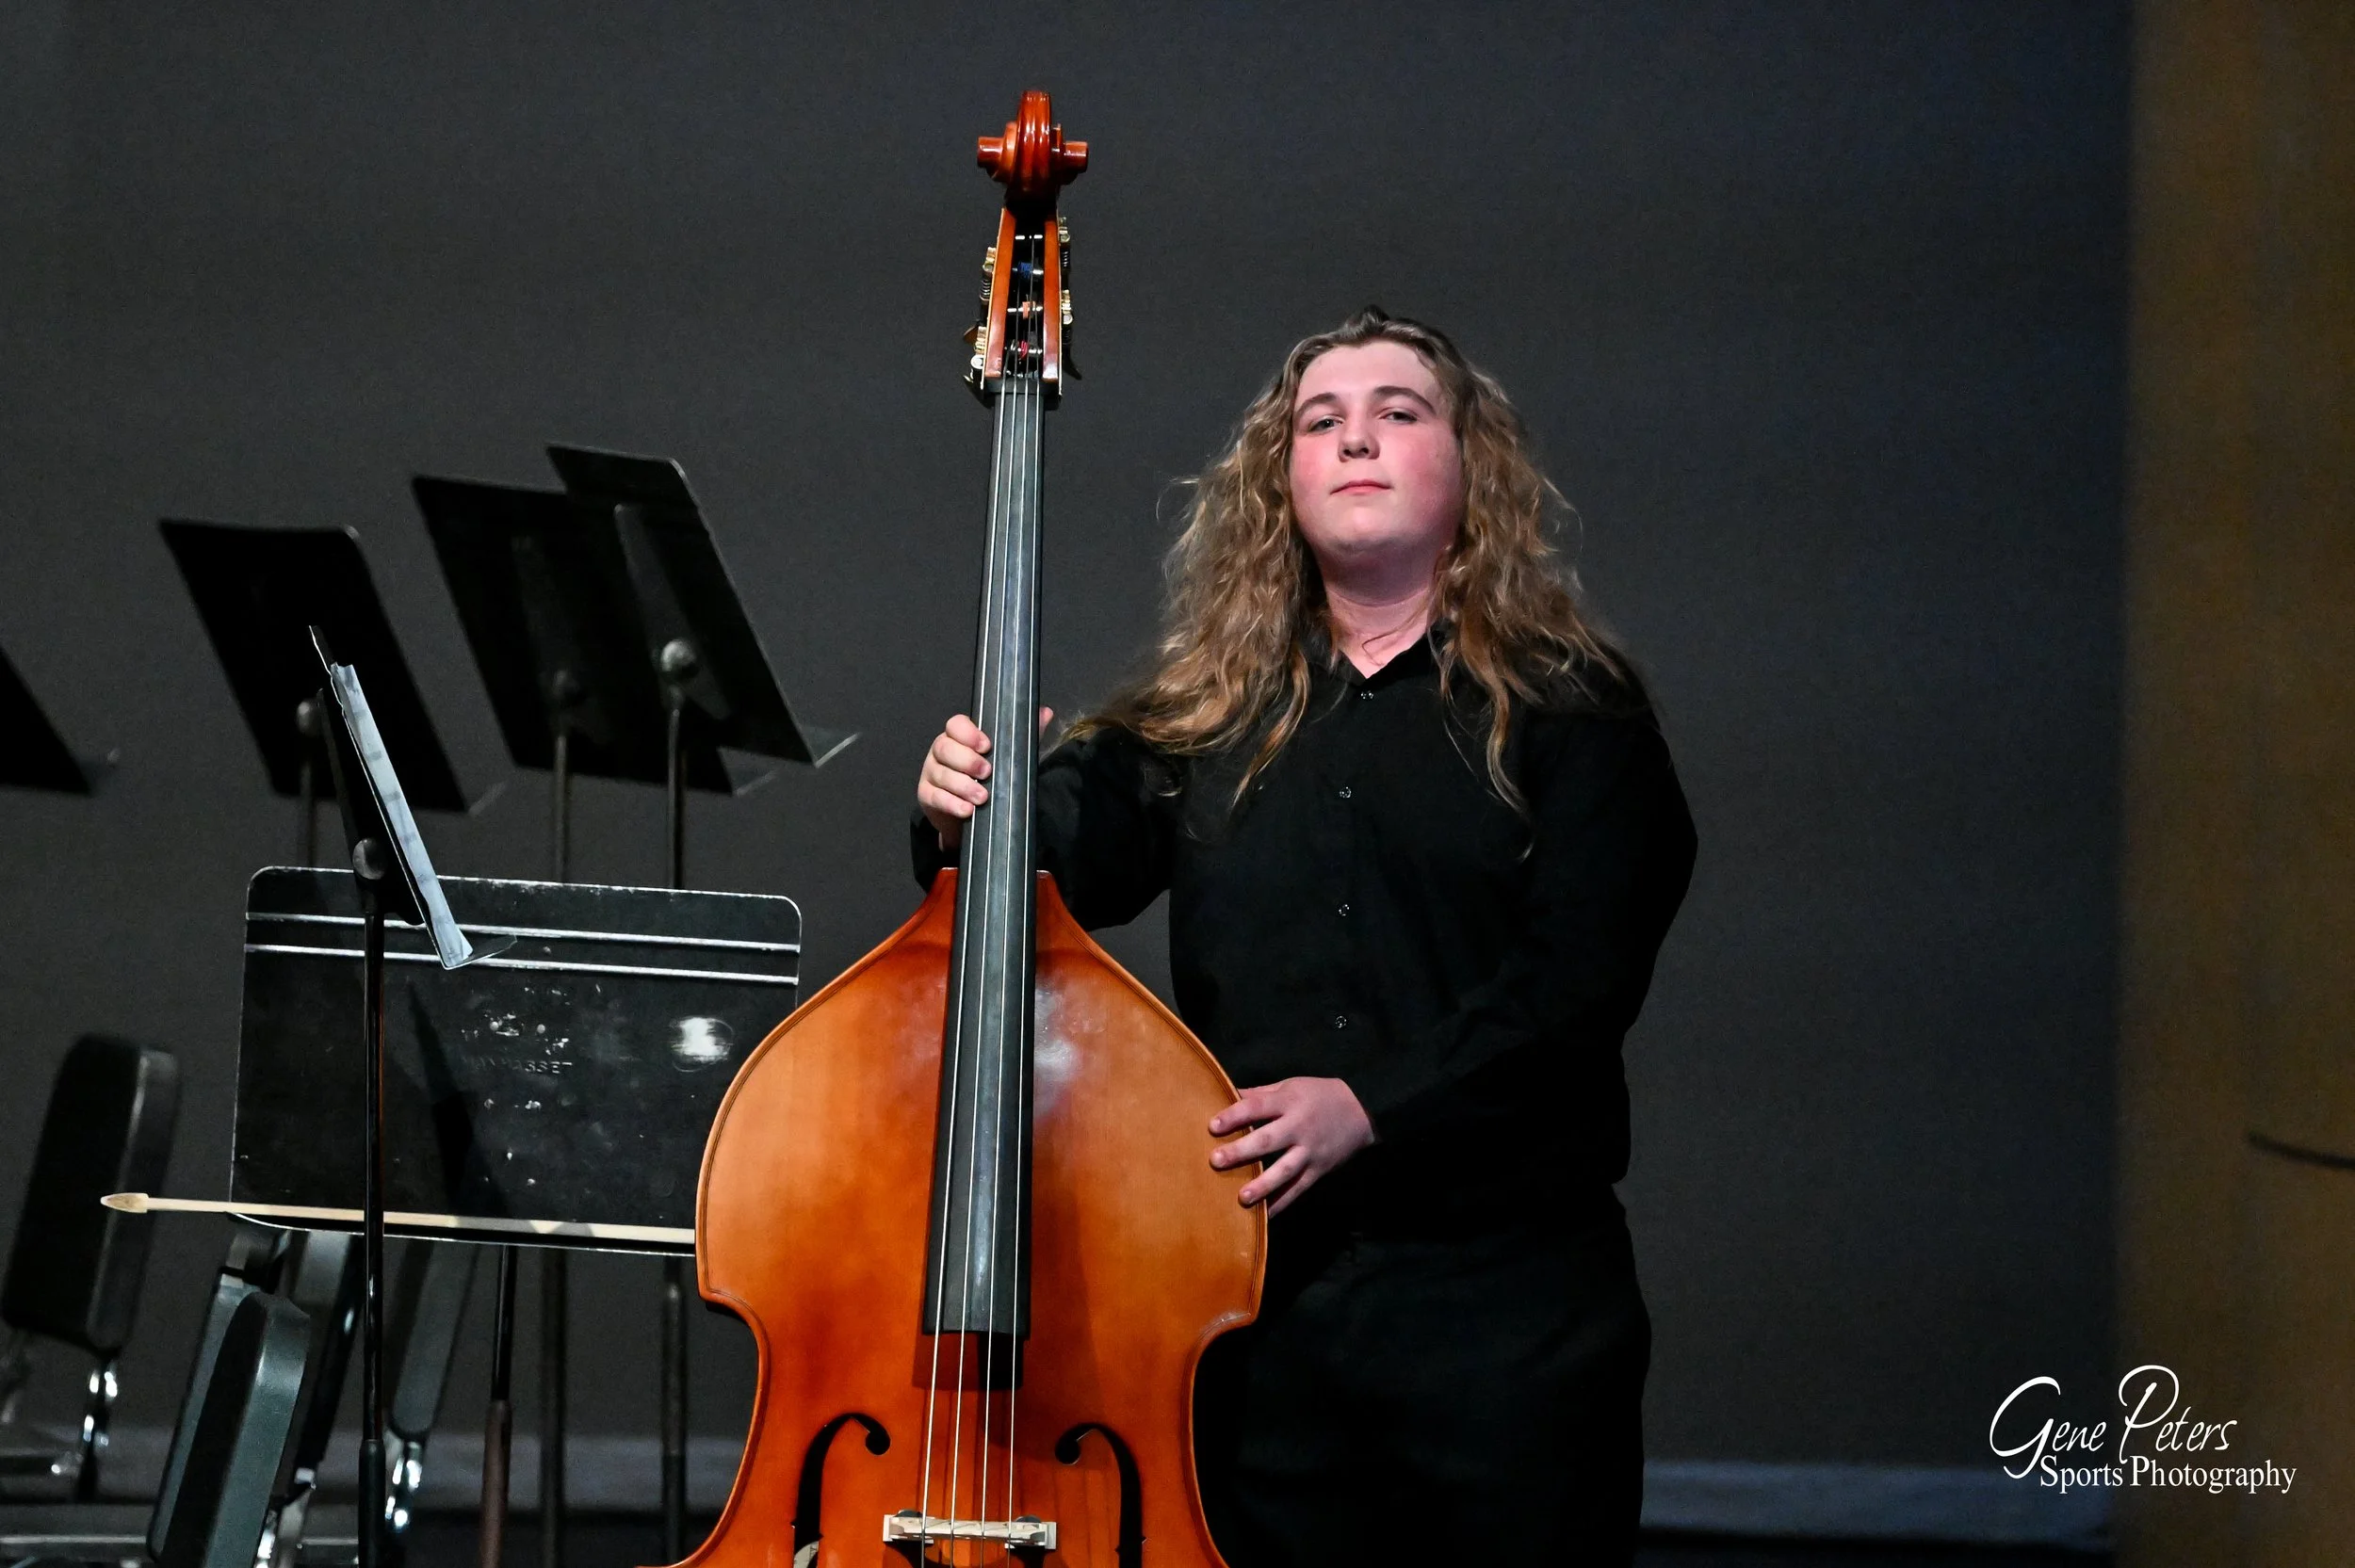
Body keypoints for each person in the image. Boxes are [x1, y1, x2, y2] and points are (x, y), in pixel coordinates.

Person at [912, 307, 1697, 1566]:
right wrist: (967, 809)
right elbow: (1055, 860)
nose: (1357, 439)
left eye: (1400, 412)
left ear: (1469, 469)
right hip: (1254, 1312)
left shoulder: (1574, 709)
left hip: (1508, 1313)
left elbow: (1578, 984)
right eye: (1320, 422)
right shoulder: (1208, 711)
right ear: (1281, 482)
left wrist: (1371, 1106)